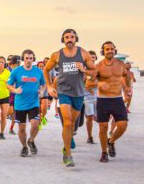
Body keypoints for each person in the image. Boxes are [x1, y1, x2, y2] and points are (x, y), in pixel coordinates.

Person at [44, 29, 95, 167]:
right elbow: (46, 69)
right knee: (67, 122)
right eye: (67, 37)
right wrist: (49, 86)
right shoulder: (56, 55)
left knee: (72, 123)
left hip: (78, 93)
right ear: (63, 39)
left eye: (72, 37)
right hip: (63, 91)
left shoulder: (83, 53)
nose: (69, 39)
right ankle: (67, 154)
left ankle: (68, 140)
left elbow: (94, 72)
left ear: (76, 38)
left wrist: (84, 69)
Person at [96, 41, 130, 163]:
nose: (110, 51)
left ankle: (111, 141)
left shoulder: (121, 64)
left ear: (115, 50)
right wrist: (100, 83)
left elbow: (126, 75)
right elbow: (88, 83)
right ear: (103, 51)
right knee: (103, 127)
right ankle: (104, 152)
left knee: (123, 125)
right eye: (107, 49)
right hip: (103, 100)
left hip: (117, 99)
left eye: (112, 49)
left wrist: (127, 89)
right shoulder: (98, 66)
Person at [7, 49, 45, 157]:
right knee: (21, 128)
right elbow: (8, 85)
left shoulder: (38, 71)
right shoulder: (16, 71)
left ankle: (31, 140)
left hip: (34, 103)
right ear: (23, 59)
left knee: (35, 124)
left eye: (31, 58)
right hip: (20, 104)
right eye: (26, 58)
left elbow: (44, 84)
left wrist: (41, 92)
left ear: (33, 59)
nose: (29, 60)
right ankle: (24, 147)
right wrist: (15, 90)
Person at [84, 50, 98, 144]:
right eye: (90, 57)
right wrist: (88, 86)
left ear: (96, 58)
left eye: (93, 57)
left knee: (98, 118)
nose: (92, 59)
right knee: (90, 116)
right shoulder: (84, 70)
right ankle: (90, 136)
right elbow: (82, 83)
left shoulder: (99, 69)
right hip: (87, 97)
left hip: (98, 97)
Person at [7, 55, 20, 134]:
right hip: (8, 93)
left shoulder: (19, 70)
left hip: (16, 93)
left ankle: (11, 128)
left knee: (15, 112)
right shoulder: (8, 70)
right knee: (10, 112)